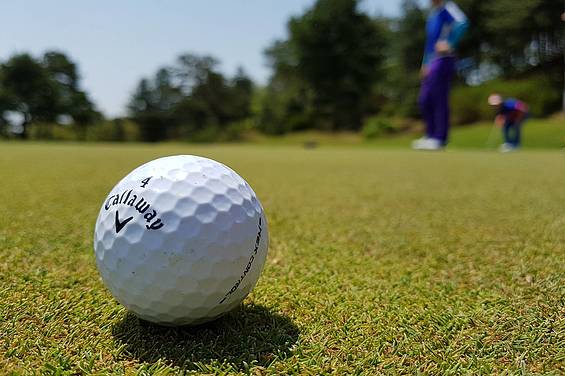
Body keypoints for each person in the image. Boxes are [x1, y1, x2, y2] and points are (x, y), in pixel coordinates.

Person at [412, 0, 468, 151]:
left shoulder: (447, 8)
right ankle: (430, 135)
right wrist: (424, 63)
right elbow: (429, 43)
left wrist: (449, 43)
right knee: (425, 99)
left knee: (438, 98)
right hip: (431, 62)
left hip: (443, 59)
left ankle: (439, 138)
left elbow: (462, 23)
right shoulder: (433, 14)